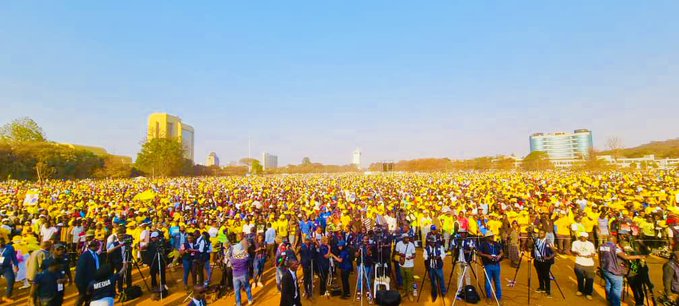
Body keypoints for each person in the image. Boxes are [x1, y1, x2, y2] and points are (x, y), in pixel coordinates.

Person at [599, 235, 645, 306]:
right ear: (614, 241)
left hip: (605, 269)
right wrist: (639, 256)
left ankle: (610, 300)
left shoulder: (602, 246)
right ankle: (616, 304)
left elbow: (600, 257)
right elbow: (626, 257)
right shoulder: (615, 248)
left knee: (609, 285)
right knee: (617, 289)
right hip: (614, 271)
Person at [477, 231, 503, 303]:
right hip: (488, 265)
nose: (493, 237)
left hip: (496, 264)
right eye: (491, 236)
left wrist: (499, 256)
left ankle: (499, 297)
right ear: (487, 238)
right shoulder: (483, 244)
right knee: (488, 281)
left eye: (493, 236)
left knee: (497, 281)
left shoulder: (496, 244)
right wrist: (487, 256)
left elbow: (501, 251)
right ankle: (488, 297)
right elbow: (478, 253)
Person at [531, 228, 557, 297]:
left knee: (546, 276)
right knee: (539, 275)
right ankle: (541, 287)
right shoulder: (536, 240)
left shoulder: (548, 242)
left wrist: (548, 258)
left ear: (545, 234)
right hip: (537, 261)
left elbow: (554, 253)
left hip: (545, 262)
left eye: (542, 233)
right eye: (539, 233)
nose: (540, 234)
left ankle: (548, 290)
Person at [105, 227, 132, 294]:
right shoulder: (114, 244)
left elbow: (130, 248)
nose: (121, 236)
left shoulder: (127, 242)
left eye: (122, 235)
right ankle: (120, 289)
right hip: (118, 262)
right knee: (120, 275)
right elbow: (108, 251)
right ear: (117, 236)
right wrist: (119, 246)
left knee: (128, 274)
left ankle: (129, 287)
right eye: (120, 235)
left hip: (127, 260)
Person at [75, 240, 101, 306]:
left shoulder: (96, 255)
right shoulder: (84, 256)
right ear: (94, 246)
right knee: (82, 297)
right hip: (84, 282)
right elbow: (80, 271)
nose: (99, 247)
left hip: (93, 280)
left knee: (90, 298)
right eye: (98, 246)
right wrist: (80, 284)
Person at [449, 228, 474, 296]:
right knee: (459, 276)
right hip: (459, 260)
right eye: (460, 233)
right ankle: (459, 290)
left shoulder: (469, 240)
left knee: (467, 276)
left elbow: (473, 250)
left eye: (463, 233)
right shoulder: (455, 240)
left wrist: (468, 251)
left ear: (466, 233)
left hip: (466, 260)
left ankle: (468, 290)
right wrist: (453, 258)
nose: (462, 234)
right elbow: (451, 249)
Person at [571, 232, 596, 300]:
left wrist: (589, 256)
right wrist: (576, 252)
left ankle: (588, 293)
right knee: (580, 278)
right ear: (580, 237)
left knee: (590, 279)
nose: (583, 238)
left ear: (587, 238)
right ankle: (580, 290)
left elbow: (593, 253)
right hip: (579, 262)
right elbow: (572, 251)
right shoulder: (575, 243)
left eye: (585, 237)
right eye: (582, 236)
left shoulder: (590, 244)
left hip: (589, 263)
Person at [231, 238, 254, 306]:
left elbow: (232, 265)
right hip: (244, 274)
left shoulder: (233, 259)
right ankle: (250, 300)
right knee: (247, 287)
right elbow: (248, 259)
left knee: (237, 290)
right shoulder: (245, 258)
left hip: (235, 275)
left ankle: (238, 303)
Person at [423, 236, 447, 300]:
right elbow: (424, 256)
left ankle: (443, 292)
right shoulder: (426, 248)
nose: (432, 243)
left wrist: (438, 257)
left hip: (438, 266)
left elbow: (444, 254)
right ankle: (434, 293)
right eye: (431, 242)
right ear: (429, 242)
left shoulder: (440, 247)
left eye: (433, 242)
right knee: (433, 281)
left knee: (441, 279)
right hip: (431, 267)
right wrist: (429, 257)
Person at [395, 233, 416, 302]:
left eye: (408, 238)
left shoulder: (411, 245)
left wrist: (410, 257)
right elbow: (396, 252)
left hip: (409, 265)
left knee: (410, 279)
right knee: (403, 278)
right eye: (406, 238)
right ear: (403, 238)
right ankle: (404, 291)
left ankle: (409, 293)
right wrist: (401, 254)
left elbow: (414, 254)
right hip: (401, 264)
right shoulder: (398, 244)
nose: (407, 239)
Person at [0, 238, 19, 303]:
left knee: (11, 280)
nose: (0, 244)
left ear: (4, 242)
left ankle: (6, 296)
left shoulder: (10, 248)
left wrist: (16, 265)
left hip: (7, 267)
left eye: (1, 243)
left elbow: (14, 257)